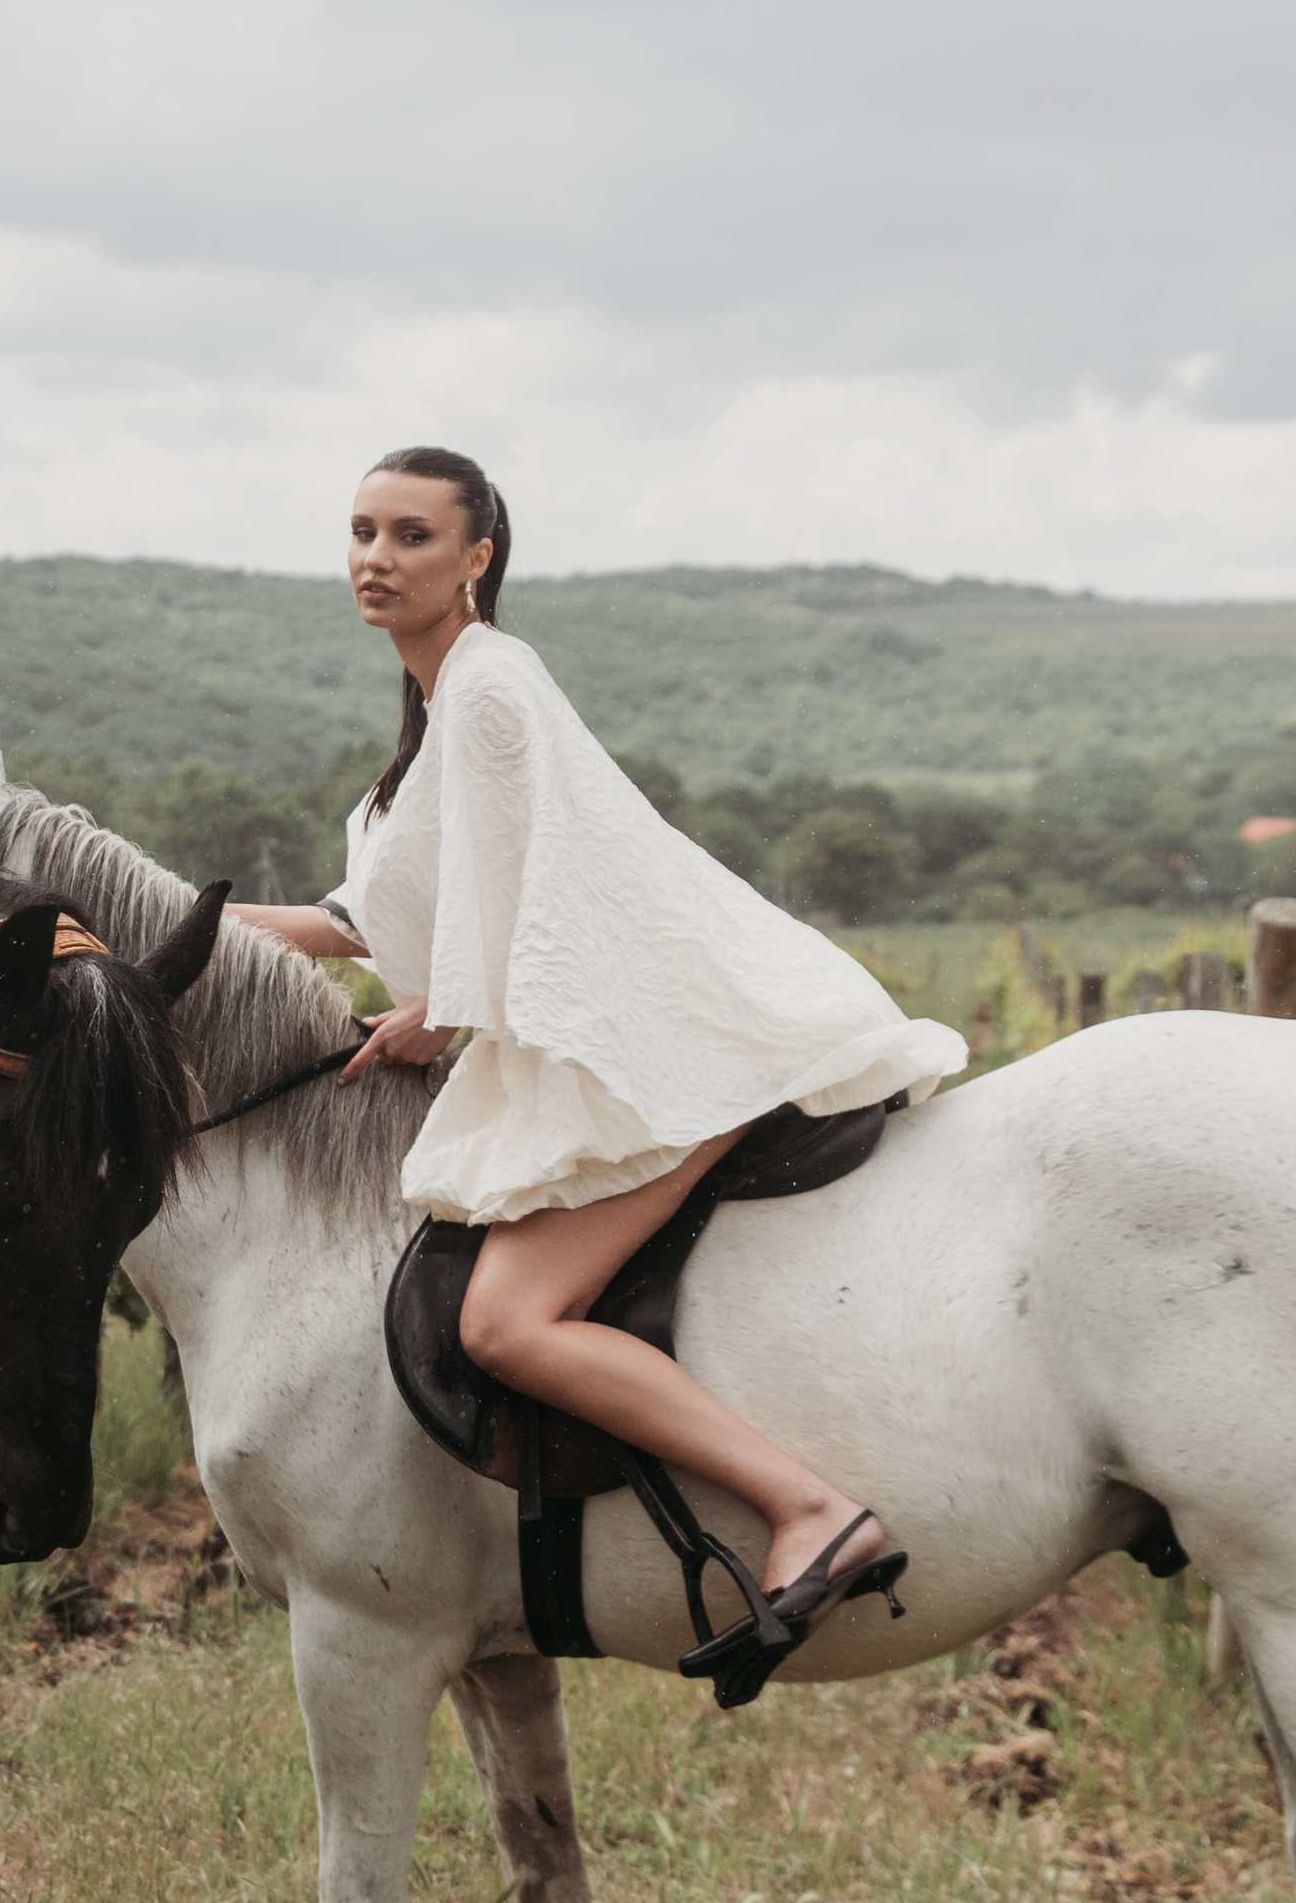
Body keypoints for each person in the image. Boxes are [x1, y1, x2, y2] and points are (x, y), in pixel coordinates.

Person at [233, 445, 964, 1649]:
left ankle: (810, 1505)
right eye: (362, 531)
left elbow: (564, 889)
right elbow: (358, 921)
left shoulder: (490, 691)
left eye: (412, 535)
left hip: (661, 1037)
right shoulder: (442, 704)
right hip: (598, 1027)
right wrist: (141, 918)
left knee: (505, 1325)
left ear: (476, 557)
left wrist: (447, 1009)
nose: (376, 557)